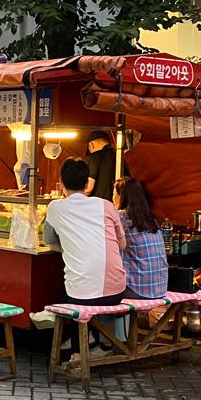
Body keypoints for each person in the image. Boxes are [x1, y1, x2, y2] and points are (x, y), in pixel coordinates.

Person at [41, 159, 127, 353]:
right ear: (87, 183)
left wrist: (69, 247)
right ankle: (97, 341)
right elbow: (122, 244)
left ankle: (81, 345)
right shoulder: (106, 205)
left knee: (64, 296)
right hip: (117, 291)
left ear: (61, 183)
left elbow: (48, 239)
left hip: (81, 296)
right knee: (77, 292)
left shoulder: (55, 207)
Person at [115, 178, 168, 300]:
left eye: (114, 194)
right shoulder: (150, 218)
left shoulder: (122, 217)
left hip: (138, 289)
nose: (112, 197)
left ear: (121, 196)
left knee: (102, 291)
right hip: (160, 288)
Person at [85, 130, 117, 201]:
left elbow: (89, 188)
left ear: (91, 145)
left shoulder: (94, 156)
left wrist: (74, 199)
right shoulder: (119, 156)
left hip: (100, 204)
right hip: (117, 204)